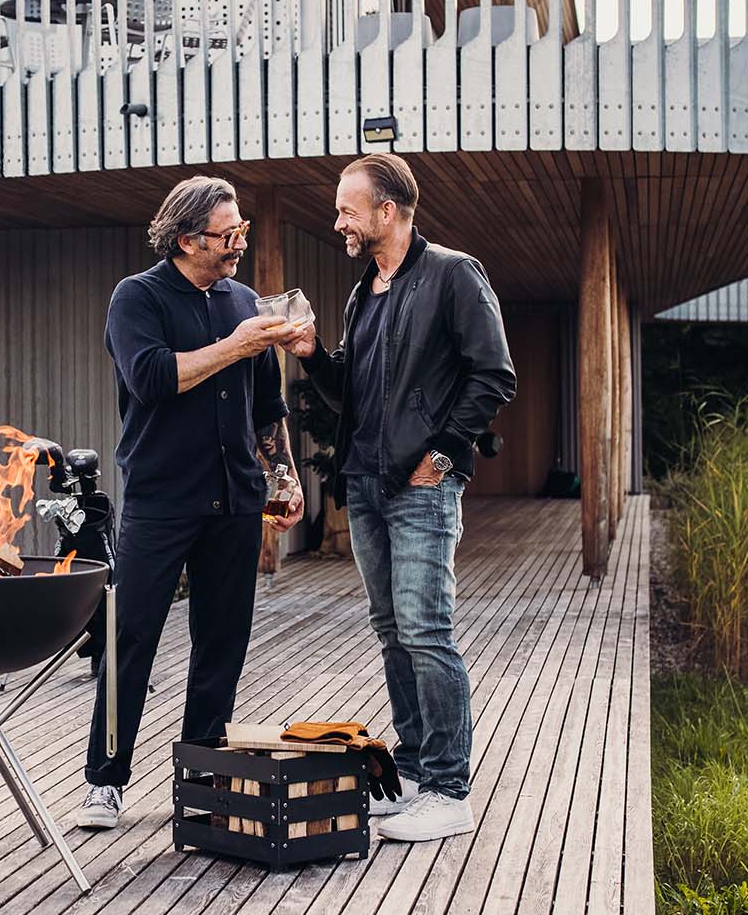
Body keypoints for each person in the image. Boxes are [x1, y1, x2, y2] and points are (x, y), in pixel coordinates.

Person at [287, 152, 516, 843]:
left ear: (387, 211)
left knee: (426, 632)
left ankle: (450, 790)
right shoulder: (364, 294)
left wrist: (441, 456)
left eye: (348, 210)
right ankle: (413, 774)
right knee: (391, 632)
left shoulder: (451, 274)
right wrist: (310, 352)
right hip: (365, 486)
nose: (340, 222)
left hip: (421, 490)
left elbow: (493, 377)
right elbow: (348, 397)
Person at [77, 175, 306, 830]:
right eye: (226, 235)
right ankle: (104, 779)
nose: (238, 244)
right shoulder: (137, 299)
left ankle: (202, 771)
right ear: (185, 239)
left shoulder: (245, 301)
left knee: (222, 642)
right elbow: (150, 380)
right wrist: (239, 344)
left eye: (242, 231)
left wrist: (284, 477)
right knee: (131, 641)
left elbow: (268, 407)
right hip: (159, 501)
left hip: (235, 500)